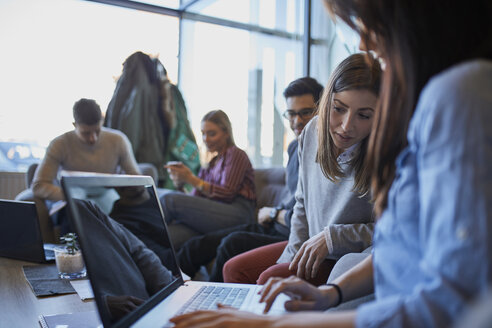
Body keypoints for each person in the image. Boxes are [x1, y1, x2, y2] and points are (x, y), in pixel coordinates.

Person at [171, 0, 492, 327]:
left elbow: (451, 302)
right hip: (342, 271)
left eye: (367, 23)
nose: (365, 44)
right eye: (338, 109)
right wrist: (331, 294)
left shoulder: (461, 95)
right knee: (232, 259)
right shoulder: (428, 107)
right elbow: (394, 245)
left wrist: (276, 324)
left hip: (357, 275)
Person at [222, 53, 380, 286]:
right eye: (338, 109)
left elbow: (391, 232)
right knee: (235, 269)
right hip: (313, 249)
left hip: (350, 258)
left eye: (364, 115)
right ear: (326, 102)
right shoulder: (312, 131)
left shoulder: (384, 150)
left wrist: (332, 238)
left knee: (268, 279)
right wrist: (289, 259)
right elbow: (302, 204)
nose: (347, 126)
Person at [176, 77, 323, 281]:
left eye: (305, 112)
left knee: (231, 243)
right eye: (291, 113)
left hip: (286, 229)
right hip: (273, 224)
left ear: (321, 109)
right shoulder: (294, 148)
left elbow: (308, 214)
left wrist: (272, 212)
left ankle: (214, 307)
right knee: (196, 245)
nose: (297, 121)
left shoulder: (322, 153)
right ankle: (168, 290)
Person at [32, 98, 141, 232]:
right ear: (74, 125)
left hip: (108, 199)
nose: (93, 138)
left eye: (97, 131)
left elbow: (137, 179)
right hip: (72, 202)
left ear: (102, 122)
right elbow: (39, 186)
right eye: (86, 133)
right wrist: (70, 196)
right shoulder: (60, 144)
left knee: (127, 220)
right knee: (75, 218)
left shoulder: (118, 141)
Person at [161, 110, 256, 247]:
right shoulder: (211, 164)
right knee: (169, 235)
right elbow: (196, 198)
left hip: (238, 213)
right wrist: (181, 183)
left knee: (169, 199)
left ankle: (141, 229)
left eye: (212, 134)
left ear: (226, 133)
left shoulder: (236, 154)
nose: (205, 139)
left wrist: (191, 179)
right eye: (203, 134)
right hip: (215, 213)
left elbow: (227, 193)